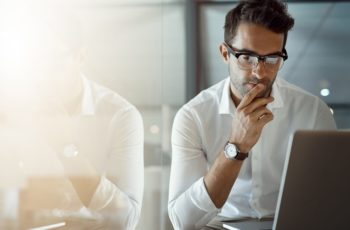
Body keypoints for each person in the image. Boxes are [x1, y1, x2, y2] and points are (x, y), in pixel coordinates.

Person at [168, 0, 336, 229]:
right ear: (225, 53)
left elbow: (332, 202)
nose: (259, 71)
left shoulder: (313, 111)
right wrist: (236, 147)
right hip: (219, 225)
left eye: (271, 58)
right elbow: (182, 221)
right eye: (247, 57)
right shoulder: (193, 116)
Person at [0, 4, 143, 230]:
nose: (41, 73)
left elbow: (126, 220)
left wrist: (67, 149)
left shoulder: (120, 116)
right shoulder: (13, 111)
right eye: (34, 61)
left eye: (52, 59)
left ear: (81, 56)